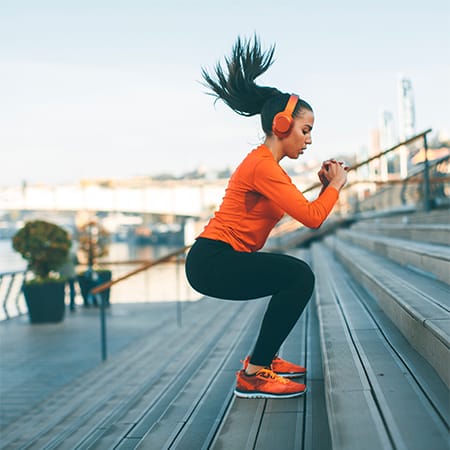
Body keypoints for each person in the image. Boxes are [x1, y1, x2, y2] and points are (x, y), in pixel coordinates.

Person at [185, 36, 348, 399]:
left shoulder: (268, 167)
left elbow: (306, 210)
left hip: (218, 258)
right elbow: (312, 219)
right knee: (298, 276)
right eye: (305, 131)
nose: (308, 141)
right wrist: (336, 185)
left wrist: (325, 189)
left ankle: (262, 361)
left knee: (292, 277)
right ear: (281, 125)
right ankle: (255, 373)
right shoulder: (263, 167)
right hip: (212, 261)